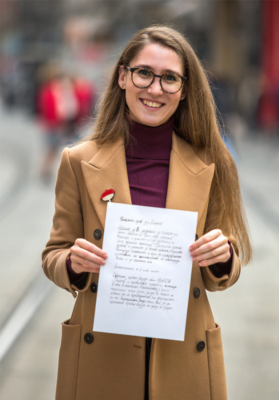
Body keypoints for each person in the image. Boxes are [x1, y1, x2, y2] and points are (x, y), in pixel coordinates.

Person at [42, 25, 251, 400]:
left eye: (170, 78)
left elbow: (226, 270)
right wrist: (72, 263)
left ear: (184, 89)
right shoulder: (77, 161)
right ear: (122, 77)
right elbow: (53, 255)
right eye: (144, 73)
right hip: (101, 354)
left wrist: (222, 257)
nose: (155, 89)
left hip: (184, 355)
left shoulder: (214, 163)